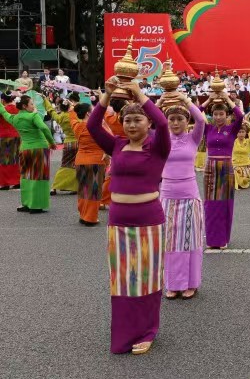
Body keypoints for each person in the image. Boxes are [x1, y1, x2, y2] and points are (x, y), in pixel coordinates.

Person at [88, 78, 170, 355]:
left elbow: (164, 124)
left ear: (148, 123)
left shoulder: (158, 147)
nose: (132, 125)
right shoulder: (117, 145)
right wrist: (108, 94)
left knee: (146, 278)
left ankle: (147, 331)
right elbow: (92, 126)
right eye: (127, 121)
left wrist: (140, 94)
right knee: (122, 279)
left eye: (138, 120)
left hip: (149, 221)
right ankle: (125, 333)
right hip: (118, 222)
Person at [158, 94, 205, 300]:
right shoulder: (161, 138)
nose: (175, 123)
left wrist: (186, 101)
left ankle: (191, 283)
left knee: (190, 240)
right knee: (169, 242)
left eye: (180, 119)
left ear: (187, 121)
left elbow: (201, 119)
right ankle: (173, 284)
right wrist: (160, 103)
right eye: (172, 119)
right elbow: (148, 121)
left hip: (189, 196)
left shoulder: (193, 138)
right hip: (167, 196)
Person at [201, 92, 243, 249]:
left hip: (226, 169)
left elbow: (240, 116)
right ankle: (212, 240)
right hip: (210, 169)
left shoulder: (232, 129)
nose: (218, 117)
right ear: (212, 116)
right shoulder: (208, 128)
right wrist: (209, 100)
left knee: (224, 204)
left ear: (227, 115)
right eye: (215, 114)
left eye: (221, 114)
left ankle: (223, 238)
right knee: (210, 204)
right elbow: (195, 114)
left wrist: (227, 99)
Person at [1, 93, 56, 213]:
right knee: (39, 176)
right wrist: (52, 142)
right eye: (31, 104)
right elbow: (44, 128)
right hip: (39, 148)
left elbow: (4, 112)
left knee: (26, 176)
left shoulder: (14, 118)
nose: (33, 106)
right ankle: (36, 205)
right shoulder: (33, 116)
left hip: (25, 149)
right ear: (24, 106)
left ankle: (26, 203)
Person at [71, 102, 106, 225]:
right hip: (95, 160)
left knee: (83, 189)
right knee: (94, 190)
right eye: (93, 110)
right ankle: (90, 218)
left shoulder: (76, 125)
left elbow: (71, 114)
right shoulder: (96, 126)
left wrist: (72, 106)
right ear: (88, 113)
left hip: (80, 159)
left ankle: (83, 214)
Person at [44, 96, 79, 195]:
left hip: (68, 143)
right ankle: (74, 187)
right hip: (78, 143)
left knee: (65, 165)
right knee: (76, 165)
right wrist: (73, 106)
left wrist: (46, 101)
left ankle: (54, 187)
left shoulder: (61, 117)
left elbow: (51, 111)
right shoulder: (75, 115)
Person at [0, 93, 21, 190]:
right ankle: (17, 181)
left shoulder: (3, 109)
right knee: (15, 159)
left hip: (4, 135)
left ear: (3, 100)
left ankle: (5, 183)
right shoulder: (17, 108)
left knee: (5, 160)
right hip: (16, 134)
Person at [233, 121, 250, 190]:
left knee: (244, 181)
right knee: (233, 173)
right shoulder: (233, 141)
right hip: (235, 165)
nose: (241, 134)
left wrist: (249, 124)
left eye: (243, 132)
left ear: (246, 132)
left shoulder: (248, 141)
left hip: (246, 166)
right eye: (239, 132)